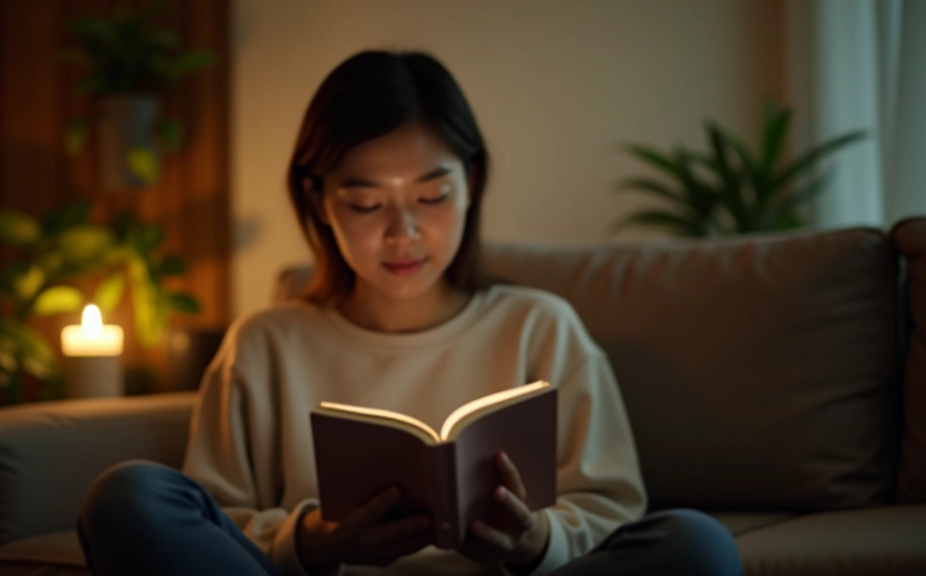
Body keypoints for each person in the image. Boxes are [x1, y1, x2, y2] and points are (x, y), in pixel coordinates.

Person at [77, 49, 742, 576]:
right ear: (318, 200)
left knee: (695, 544)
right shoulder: (266, 342)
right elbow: (214, 525)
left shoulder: (540, 327)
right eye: (366, 204)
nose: (404, 232)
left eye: (432, 196)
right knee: (130, 498)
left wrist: (536, 538)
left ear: (472, 183)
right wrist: (313, 539)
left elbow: (612, 509)